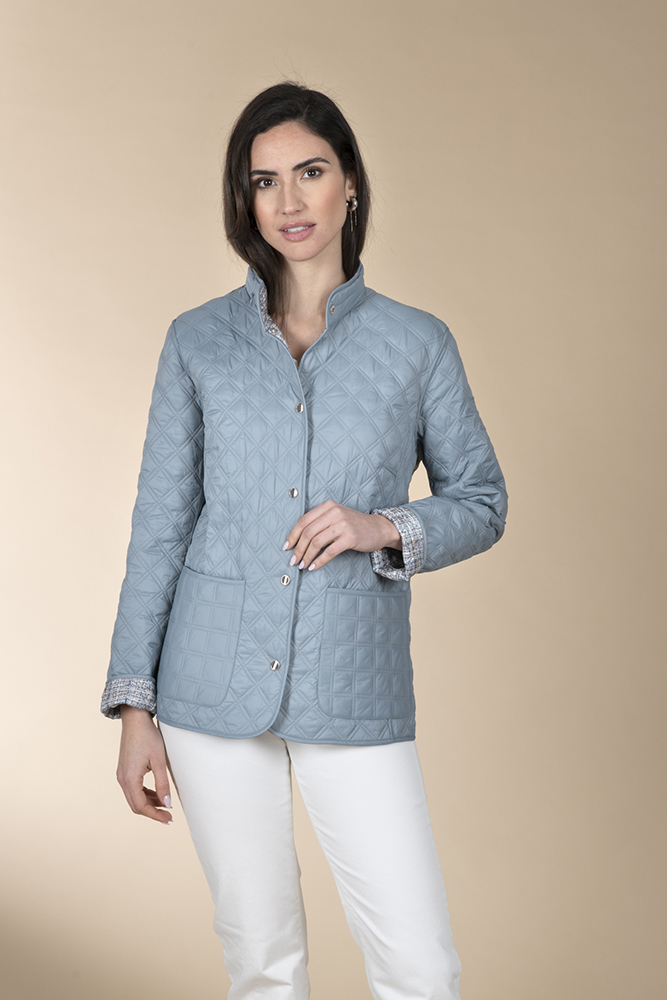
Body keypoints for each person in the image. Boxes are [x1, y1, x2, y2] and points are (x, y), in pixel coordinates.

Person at [101, 81, 508, 1000]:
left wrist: (382, 525)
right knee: (262, 962)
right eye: (264, 181)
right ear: (243, 199)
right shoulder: (197, 342)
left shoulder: (417, 344)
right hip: (208, 683)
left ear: (350, 183)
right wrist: (134, 709)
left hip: (351, 679)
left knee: (418, 965)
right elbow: (159, 525)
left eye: (310, 173)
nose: (289, 201)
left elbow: (482, 501)